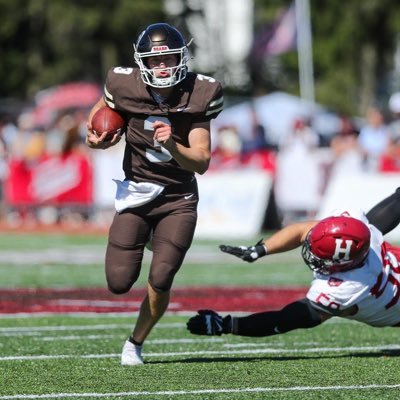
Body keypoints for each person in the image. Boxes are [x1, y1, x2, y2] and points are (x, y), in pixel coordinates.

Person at [86, 23, 223, 365]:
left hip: (178, 198)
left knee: (161, 277)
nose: (162, 67)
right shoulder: (123, 83)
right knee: (118, 282)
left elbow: (201, 162)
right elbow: (101, 109)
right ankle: (148, 235)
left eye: (169, 59)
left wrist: (173, 145)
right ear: (141, 61)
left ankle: (135, 341)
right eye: (154, 60)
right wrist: (94, 136)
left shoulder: (201, 92)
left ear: (181, 58)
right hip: (137, 192)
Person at [187, 187, 400, 339]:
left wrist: (226, 325)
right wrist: (260, 250)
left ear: (340, 264)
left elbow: (285, 320)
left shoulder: (347, 288)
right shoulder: (359, 233)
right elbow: (301, 231)